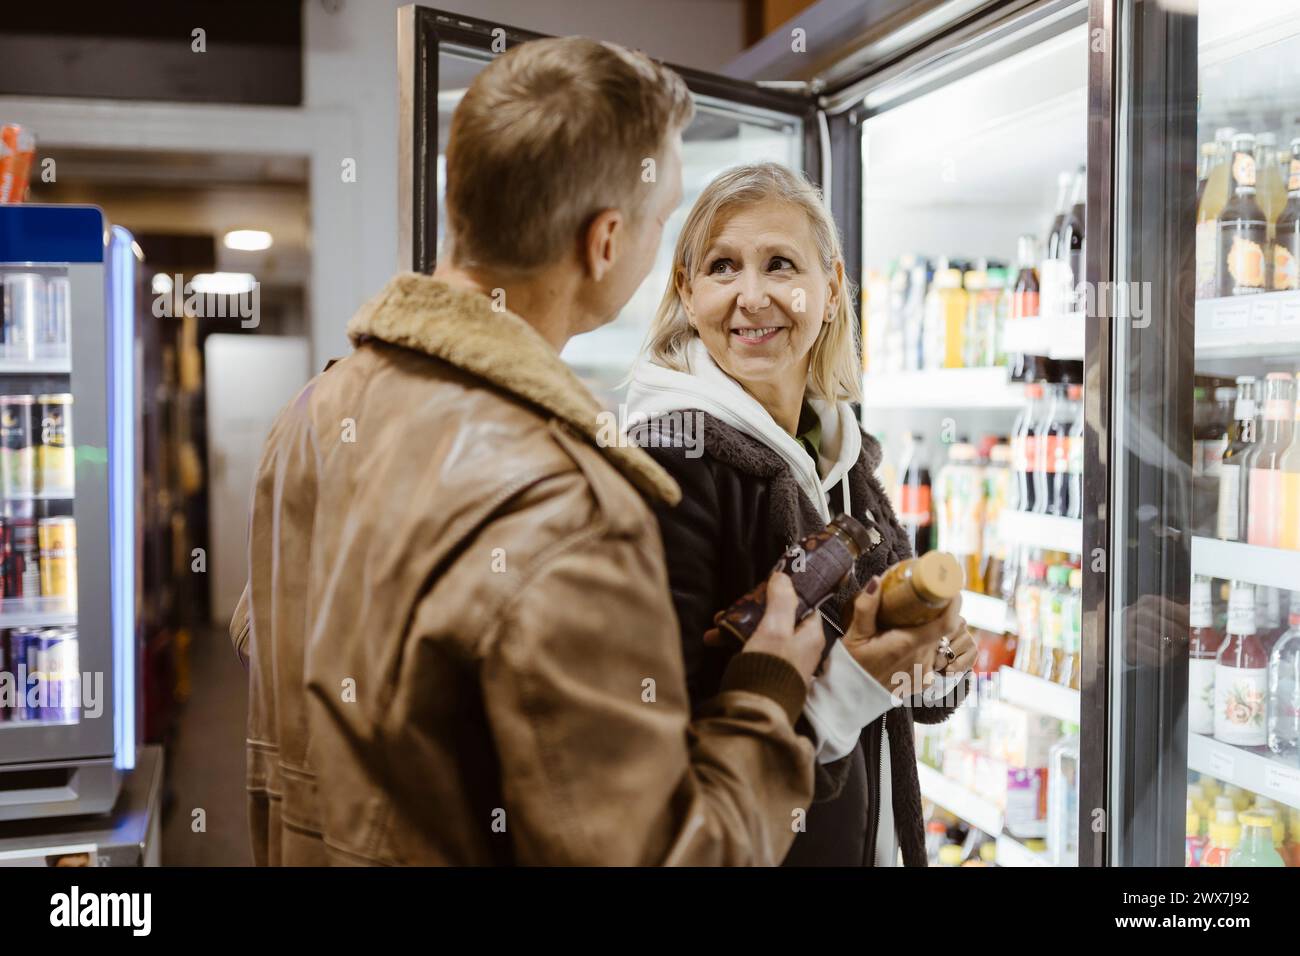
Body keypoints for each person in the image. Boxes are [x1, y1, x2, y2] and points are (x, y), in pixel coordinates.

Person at [227, 39, 828, 866]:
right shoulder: (568, 502)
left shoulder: (315, 411)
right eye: (666, 220)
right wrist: (766, 695)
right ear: (606, 241)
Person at [626, 161, 977, 866]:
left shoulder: (846, 461)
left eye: (780, 265)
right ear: (687, 296)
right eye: (723, 267)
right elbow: (664, 746)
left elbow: (911, 698)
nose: (752, 297)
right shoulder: (667, 465)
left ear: (829, 289)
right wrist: (857, 680)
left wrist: (936, 661)